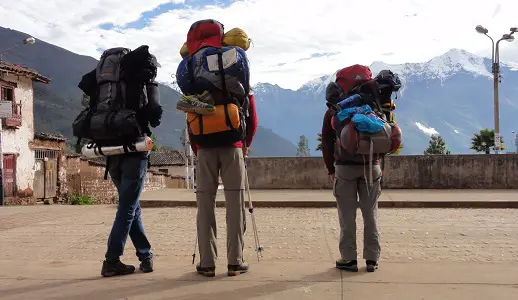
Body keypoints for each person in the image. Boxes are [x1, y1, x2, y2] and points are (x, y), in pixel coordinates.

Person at [189, 89, 258, 277]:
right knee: (235, 204)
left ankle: (207, 264)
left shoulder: (196, 83)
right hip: (233, 149)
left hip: (204, 149)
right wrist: (244, 145)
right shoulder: (239, 83)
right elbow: (252, 120)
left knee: (204, 206)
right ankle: (235, 262)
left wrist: (198, 149)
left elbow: (190, 120)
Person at [321, 64, 382, 273]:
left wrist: (330, 169)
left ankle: (349, 259)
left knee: (347, 217)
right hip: (371, 167)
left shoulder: (334, 110)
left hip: (344, 168)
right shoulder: (373, 106)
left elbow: (327, 143)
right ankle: (372, 259)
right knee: (370, 214)